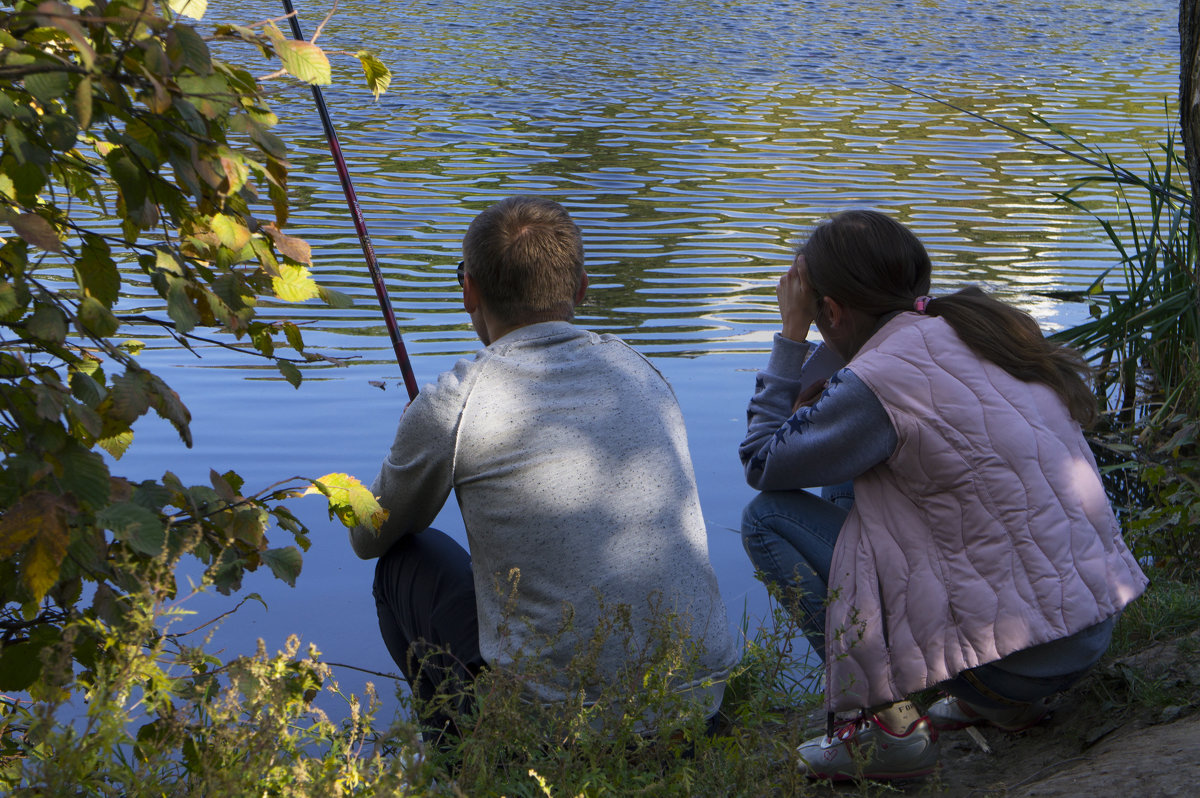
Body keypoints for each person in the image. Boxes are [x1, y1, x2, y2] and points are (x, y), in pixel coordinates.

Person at [738, 210, 1148, 781]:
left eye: (817, 312)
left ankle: (890, 729)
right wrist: (830, 383)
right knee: (853, 467)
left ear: (829, 310)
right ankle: (999, 705)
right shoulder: (978, 329)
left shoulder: (878, 381)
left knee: (766, 519)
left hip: (1020, 660)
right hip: (1085, 632)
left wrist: (791, 338)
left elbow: (762, 463)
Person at [351, 195, 738, 746]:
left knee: (403, 560)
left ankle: (463, 760)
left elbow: (369, 537)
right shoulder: (642, 371)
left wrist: (410, 442)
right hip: (695, 700)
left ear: (470, 292)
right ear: (580, 289)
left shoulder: (453, 403)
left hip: (560, 729)